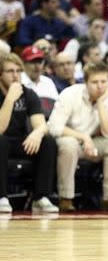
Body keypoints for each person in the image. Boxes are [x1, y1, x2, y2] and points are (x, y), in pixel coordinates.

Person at [47, 61, 108, 213]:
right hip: (70, 138)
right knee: (69, 144)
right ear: (85, 82)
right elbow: (54, 127)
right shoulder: (70, 94)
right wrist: (83, 137)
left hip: (93, 143)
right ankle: (66, 198)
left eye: (104, 81)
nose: (100, 86)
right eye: (95, 82)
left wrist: (100, 104)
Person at [0, 53, 58, 213]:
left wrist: (37, 133)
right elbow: (0, 129)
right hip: (2, 141)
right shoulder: (10, 95)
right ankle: (1, 197)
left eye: (18, 71)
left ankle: (40, 197)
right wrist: (10, 99)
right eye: (10, 71)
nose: (15, 75)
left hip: (19, 141)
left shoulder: (28, 93)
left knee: (48, 141)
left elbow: (41, 124)